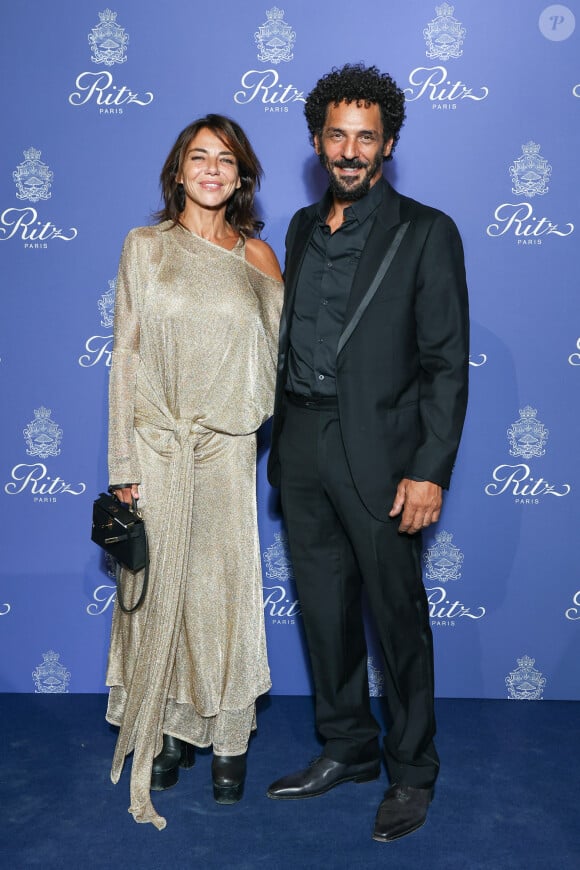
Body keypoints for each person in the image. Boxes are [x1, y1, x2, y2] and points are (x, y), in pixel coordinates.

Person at [266, 64, 469, 842]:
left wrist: (429, 469)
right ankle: (347, 747)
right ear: (318, 141)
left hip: (385, 458)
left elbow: (447, 363)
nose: (351, 151)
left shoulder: (426, 231)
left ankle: (412, 770)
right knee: (323, 613)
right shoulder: (299, 230)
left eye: (367, 137)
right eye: (338, 135)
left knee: (396, 617)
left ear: (388, 145)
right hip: (304, 448)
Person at [105, 114, 283, 829]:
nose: (212, 169)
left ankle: (228, 741)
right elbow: (127, 356)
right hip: (154, 443)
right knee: (153, 592)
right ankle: (168, 729)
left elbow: (278, 364)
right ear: (177, 171)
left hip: (226, 446)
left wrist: (238, 416)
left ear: (241, 176)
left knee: (220, 591)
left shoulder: (260, 258)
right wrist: (124, 460)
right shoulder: (144, 248)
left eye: (226, 160)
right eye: (198, 157)